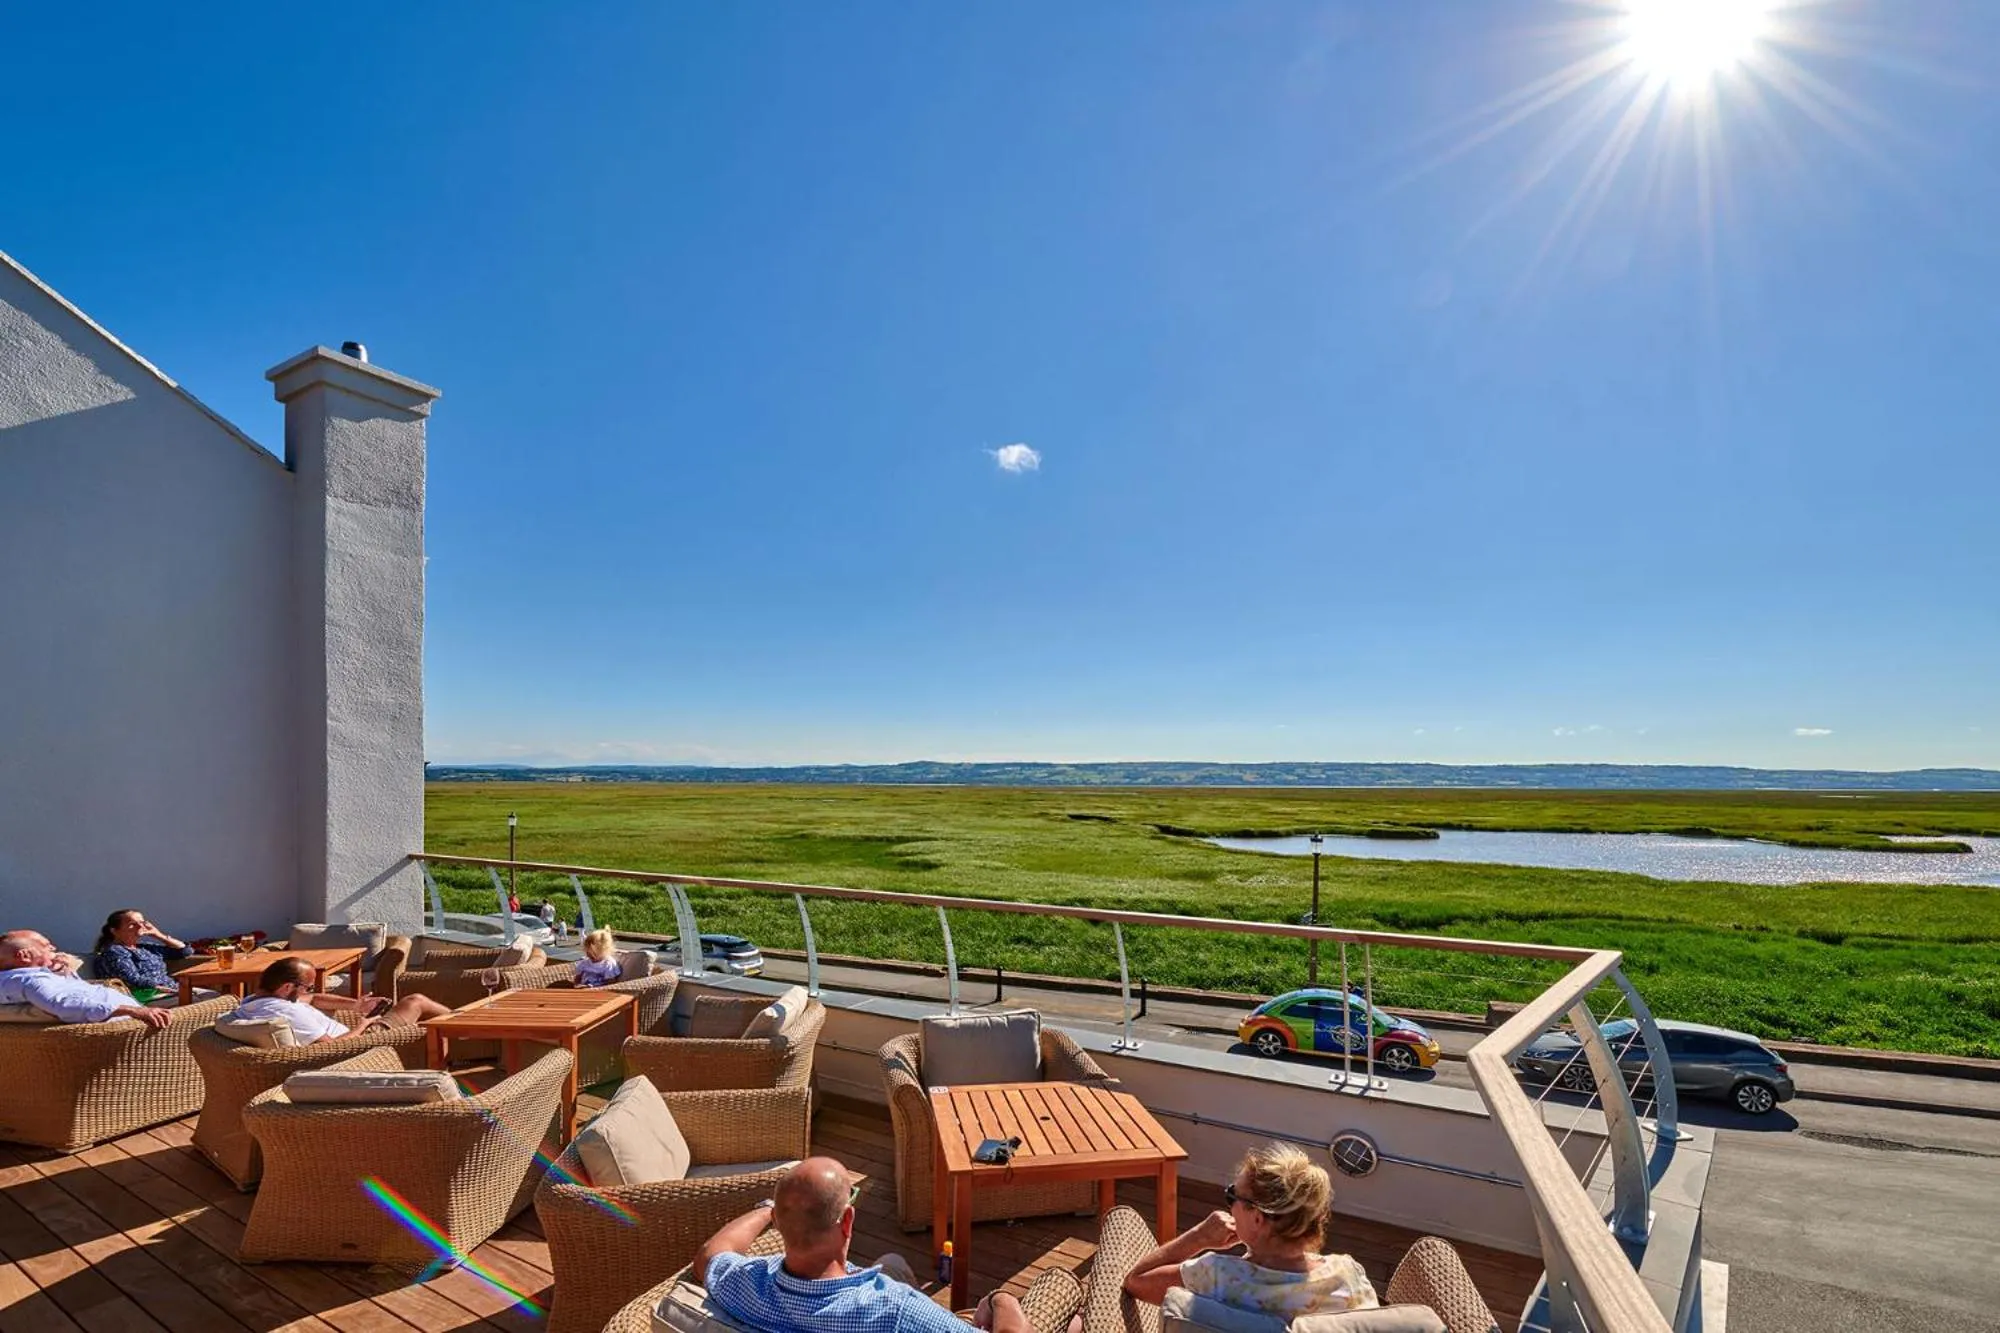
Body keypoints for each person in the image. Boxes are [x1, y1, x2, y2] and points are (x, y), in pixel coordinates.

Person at [694, 1157, 1029, 1333]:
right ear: (847, 1221)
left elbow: (710, 1254)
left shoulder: (747, 1285)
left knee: (891, 1262)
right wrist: (1001, 1299)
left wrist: (770, 1210)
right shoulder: (896, 1312)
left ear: (779, 1224)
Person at [1124, 1142, 1376, 1320]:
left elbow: (1135, 1281)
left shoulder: (1216, 1275)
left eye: (1232, 1195)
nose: (1229, 1205)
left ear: (1257, 1218)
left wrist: (1199, 1236)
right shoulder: (1348, 1276)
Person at [227, 957, 451, 1043]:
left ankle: (460, 1030)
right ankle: (464, 1027)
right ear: (287, 987)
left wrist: (356, 1005)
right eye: (307, 985)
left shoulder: (252, 1002)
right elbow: (330, 1048)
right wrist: (362, 1025)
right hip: (362, 1044)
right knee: (415, 1001)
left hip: (353, 1036)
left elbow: (312, 999)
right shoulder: (288, 1012)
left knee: (416, 1006)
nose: (310, 990)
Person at [0, 933, 171, 1028]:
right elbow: (65, 1005)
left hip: (128, 1026)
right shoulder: (32, 981)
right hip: (124, 1031)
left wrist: (65, 973)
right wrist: (133, 1010)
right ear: (24, 955)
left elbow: (67, 994)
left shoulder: (26, 978)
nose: (53, 948)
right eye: (45, 945)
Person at [91, 909, 193, 999]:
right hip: (147, 996)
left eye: (142, 922)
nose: (140, 926)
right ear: (114, 931)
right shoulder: (115, 952)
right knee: (199, 998)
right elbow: (133, 980)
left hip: (171, 990)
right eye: (132, 924)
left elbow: (185, 951)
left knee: (201, 995)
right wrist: (167, 989)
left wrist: (158, 934)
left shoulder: (145, 947)